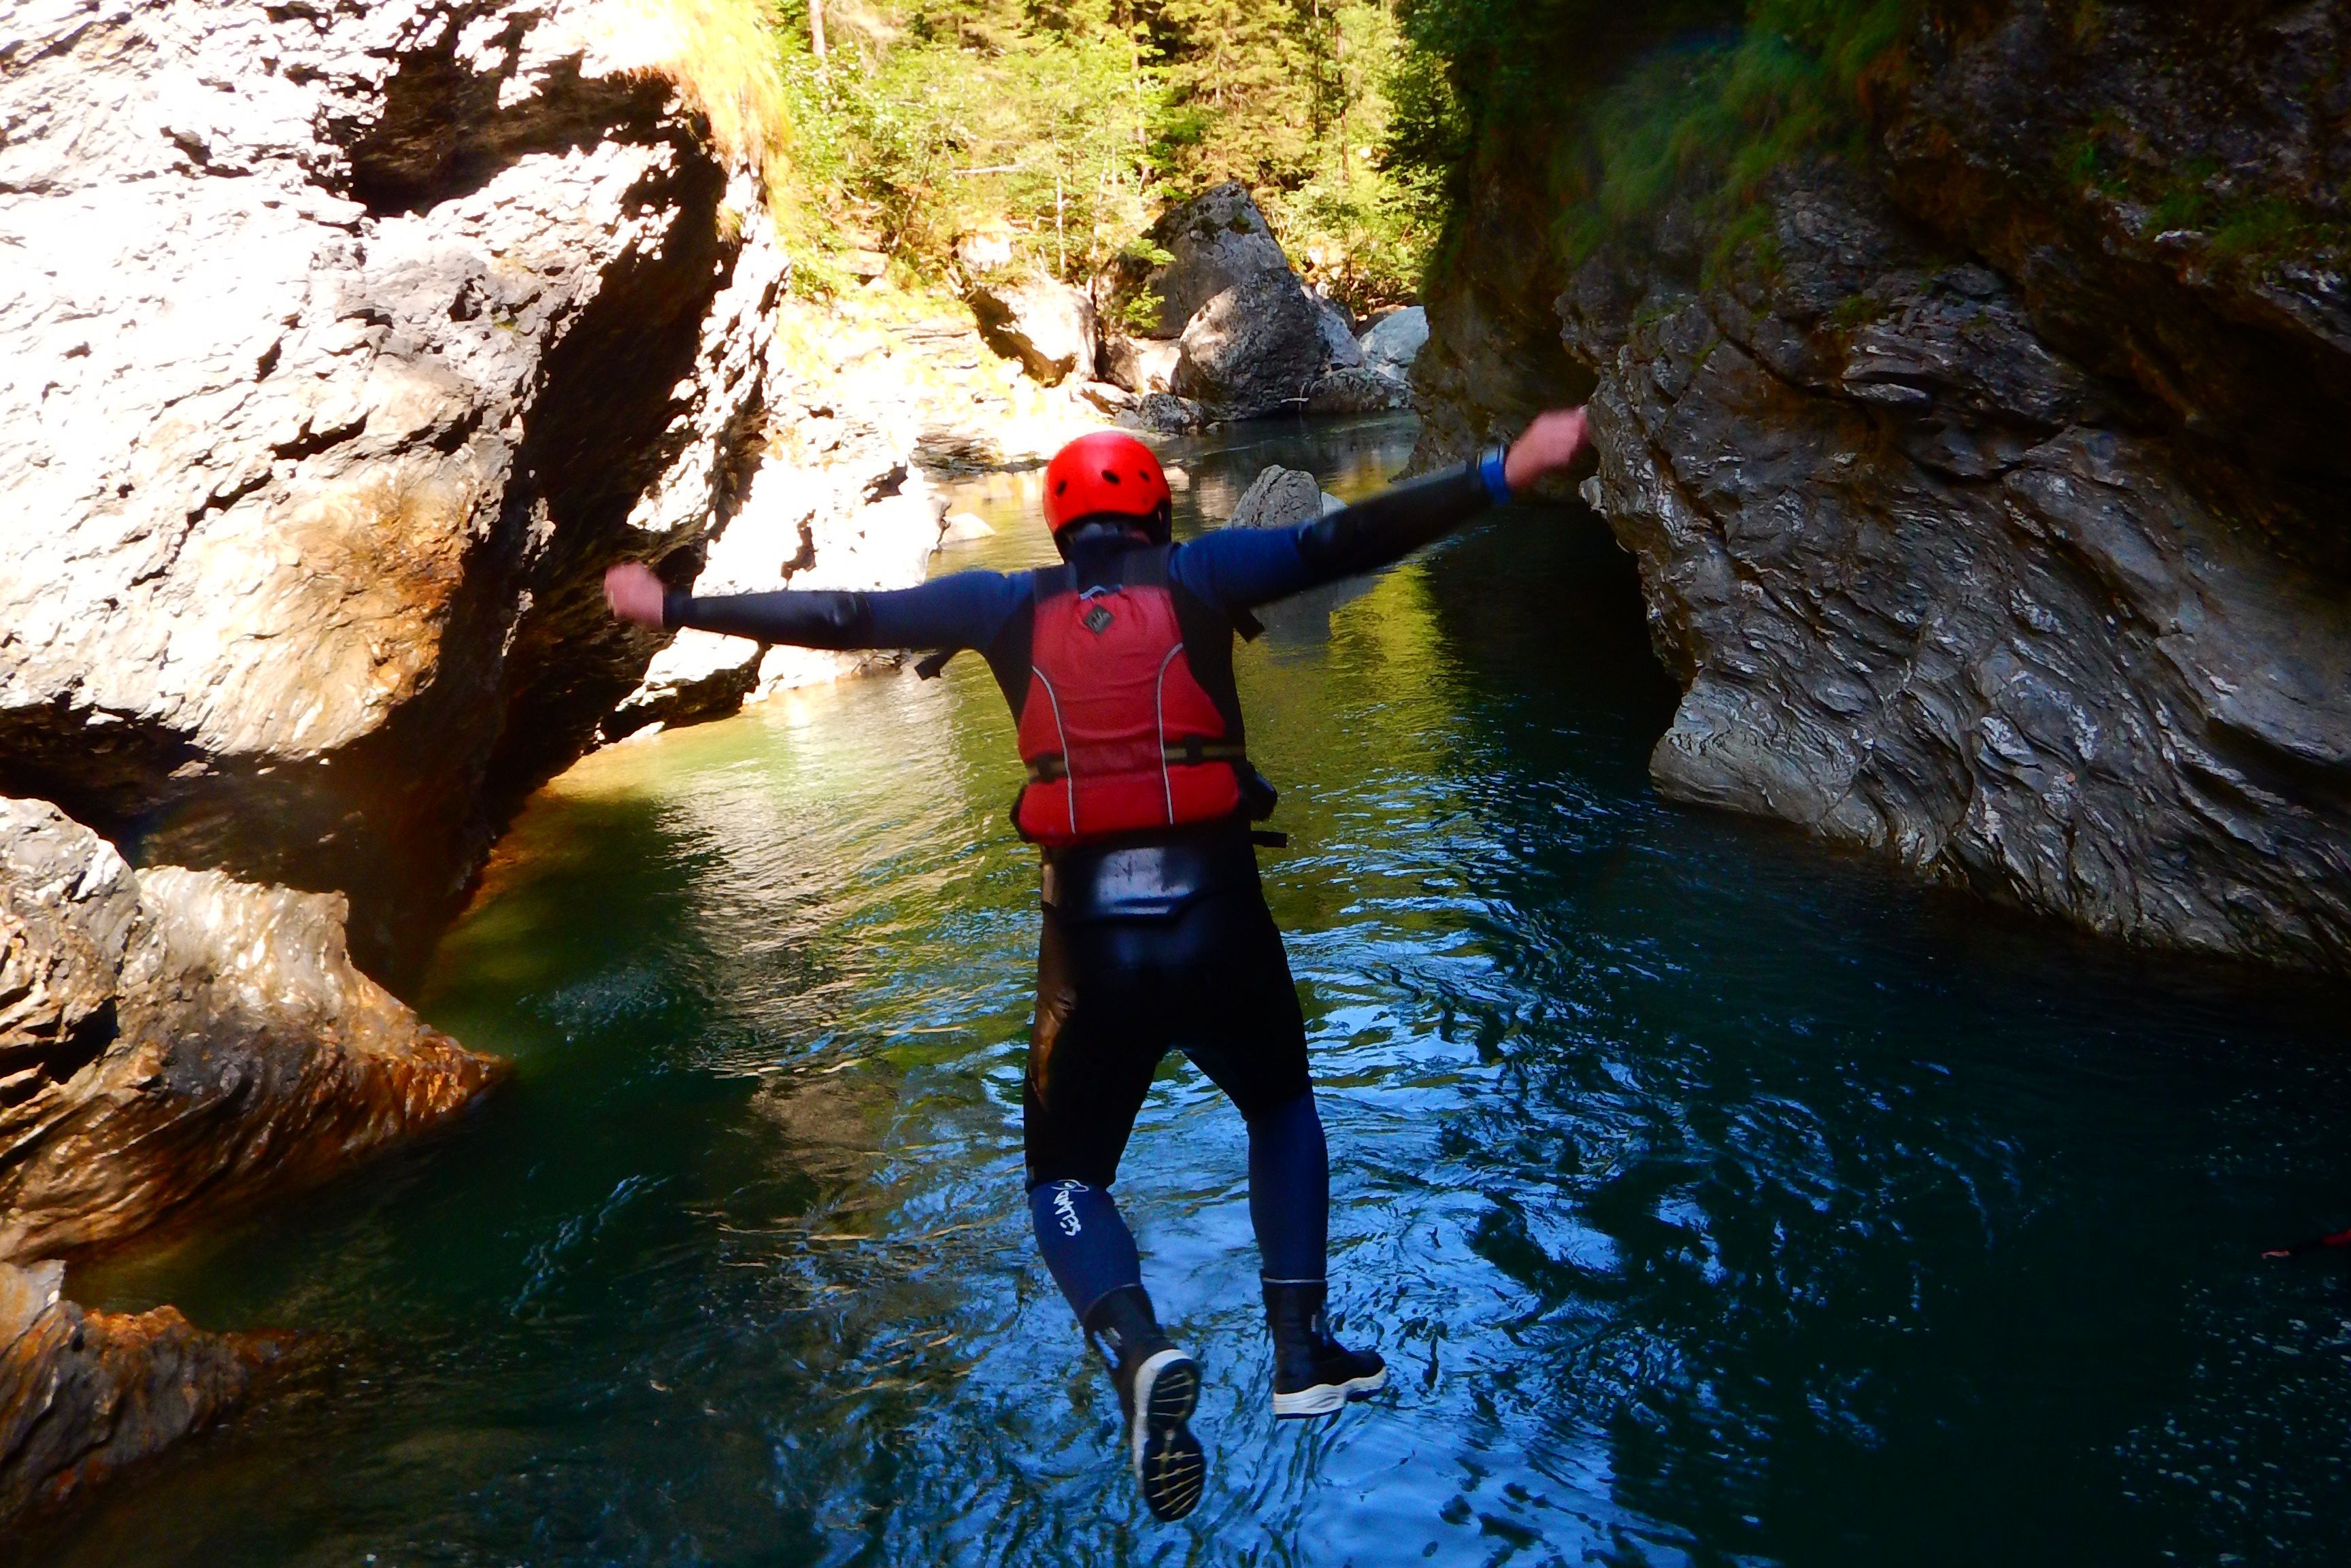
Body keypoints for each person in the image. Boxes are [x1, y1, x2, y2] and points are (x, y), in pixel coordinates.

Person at [604, 410, 1593, 1522]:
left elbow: (846, 615)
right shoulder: (1204, 574)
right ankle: (1301, 1349)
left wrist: (677, 606)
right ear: (1156, 513)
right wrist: (1502, 471)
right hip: (1219, 919)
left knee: (1065, 1181)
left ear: (1059, 525)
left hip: (1087, 945)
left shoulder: (998, 604)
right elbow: (1341, 542)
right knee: (1279, 1107)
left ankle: (1134, 1345)